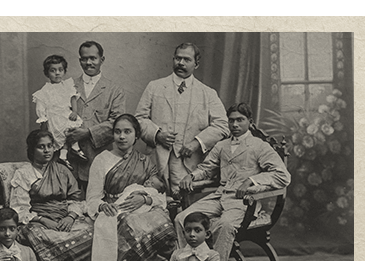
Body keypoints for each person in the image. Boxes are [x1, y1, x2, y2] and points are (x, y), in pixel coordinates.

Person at [175, 103, 291, 261]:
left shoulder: (258, 146)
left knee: (225, 225)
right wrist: (192, 175)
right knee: (182, 218)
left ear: (250, 122)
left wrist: (252, 181)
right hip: (219, 196)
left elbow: (282, 176)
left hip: (243, 201)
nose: (235, 125)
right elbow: (207, 167)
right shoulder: (222, 145)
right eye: (231, 120)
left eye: (240, 120)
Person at [86, 114, 176, 261]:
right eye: (118, 132)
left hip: (143, 206)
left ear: (136, 136)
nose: (122, 136)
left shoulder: (144, 161)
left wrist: (143, 197)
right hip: (115, 208)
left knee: (161, 220)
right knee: (130, 225)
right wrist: (103, 205)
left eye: (127, 132)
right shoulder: (102, 160)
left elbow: (158, 193)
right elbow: (92, 198)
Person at [10, 129, 93, 261]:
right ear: (32, 150)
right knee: (46, 238)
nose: (47, 150)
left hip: (65, 216)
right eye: (41, 147)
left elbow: (75, 197)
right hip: (37, 219)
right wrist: (41, 219)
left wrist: (71, 216)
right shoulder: (24, 174)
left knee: (91, 230)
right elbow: (18, 208)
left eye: (49, 146)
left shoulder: (62, 170)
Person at [135, 42, 229, 197]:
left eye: (187, 60)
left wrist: (197, 142)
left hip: (189, 163)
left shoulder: (207, 93)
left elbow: (222, 126)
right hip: (157, 160)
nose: (181, 63)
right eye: (178, 58)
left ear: (196, 64)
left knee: (183, 205)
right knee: (156, 202)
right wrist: (157, 134)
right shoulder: (155, 87)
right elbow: (139, 119)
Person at [67, 40, 126, 191]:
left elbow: (118, 123)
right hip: (71, 160)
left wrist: (87, 132)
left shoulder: (114, 90)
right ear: (80, 60)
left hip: (100, 158)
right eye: (84, 59)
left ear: (102, 60)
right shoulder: (68, 86)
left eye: (93, 58)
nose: (89, 62)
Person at [32, 54, 86, 171]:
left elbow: (73, 98)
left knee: (72, 131)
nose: (57, 73)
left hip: (66, 114)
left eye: (60, 70)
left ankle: (73, 149)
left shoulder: (67, 85)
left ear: (64, 71)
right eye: (53, 70)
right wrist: (44, 123)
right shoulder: (44, 91)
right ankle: (63, 154)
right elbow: (41, 109)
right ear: (47, 73)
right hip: (54, 118)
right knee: (61, 137)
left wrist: (75, 112)